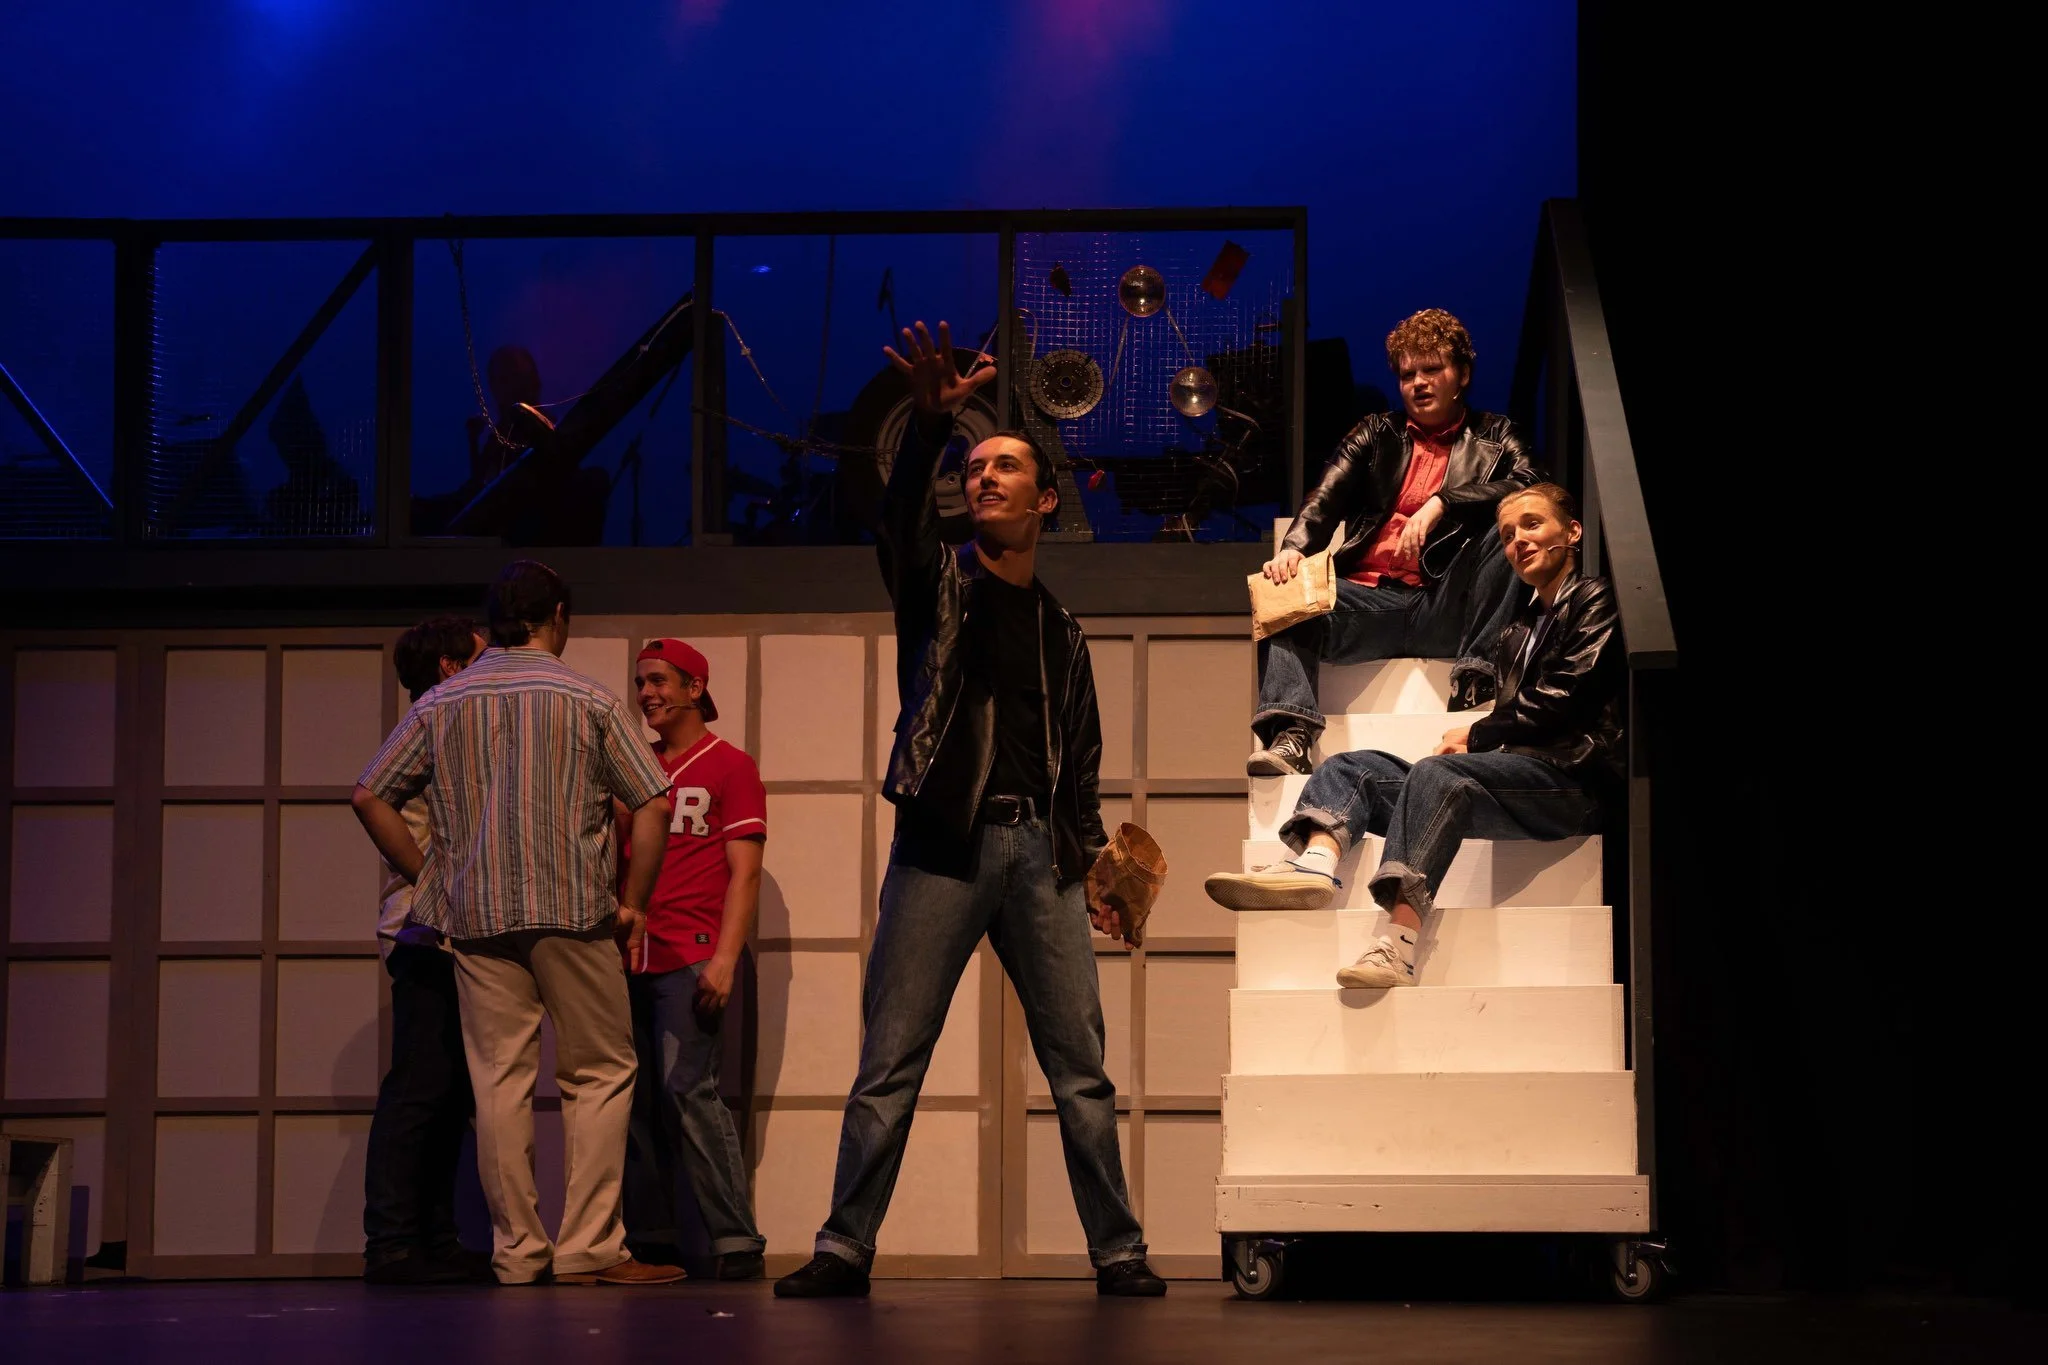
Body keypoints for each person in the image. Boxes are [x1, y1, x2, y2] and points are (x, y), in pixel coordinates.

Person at [774, 323, 1166, 1299]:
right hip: (942, 845)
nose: (983, 477)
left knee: (1080, 1070)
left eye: (1004, 467)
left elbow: (1079, 766)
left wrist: (1097, 870)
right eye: (974, 466)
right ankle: (844, 1247)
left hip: (1041, 855)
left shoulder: (1062, 631)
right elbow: (897, 523)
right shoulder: (937, 590)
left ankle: (1118, 1250)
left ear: (1044, 499)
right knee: (891, 1059)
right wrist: (927, 423)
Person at [351, 560, 682, 1286]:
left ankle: (518, 1252)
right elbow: (654, 800)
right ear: (557, 616)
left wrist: (429, 877)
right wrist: (635, 903)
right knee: (600, 1070)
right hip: (573, 910)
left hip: (477, 917)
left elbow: (370, 794)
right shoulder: (588, 698)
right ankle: (590, 1246)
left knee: (499, 1079)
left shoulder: (443, 701)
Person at [1207, 483, 1621, 989]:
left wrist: (1477, 733)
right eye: (1508, 535)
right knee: (1351, 767)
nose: (1518, 542)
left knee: (1436, 774)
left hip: (1571, 782)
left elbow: (1565, 697)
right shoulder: (1517, 629)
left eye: (1532, 525)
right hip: (1518, 776)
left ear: (1572, 532)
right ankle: (1315, 862)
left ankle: (1398, 946)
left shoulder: (1595, 599)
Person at [1248, 308, 1542, 777]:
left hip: (1448, 604)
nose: (1418, 383)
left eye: (1432, 369)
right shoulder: (1375, 433)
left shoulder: (1496, 434)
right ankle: (1292, 736)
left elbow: (1531, 485)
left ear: (1462, 374)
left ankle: (1475, 678)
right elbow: (1325, 498)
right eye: (1408, 375)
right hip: (1372, 603)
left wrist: (1445, 501)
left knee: (1506, 524)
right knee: (1280, 592)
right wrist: (1292, 549)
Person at [617, 638, 769, 1280]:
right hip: (630, 956)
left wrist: (727, 958)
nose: (646, 694)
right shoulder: (636, 768)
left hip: (693, 953)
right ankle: (651, 1238)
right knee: (630, 1097)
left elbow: (745, 873)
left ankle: (736, 1240)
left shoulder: (730, 766)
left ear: (694, 688)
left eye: (659, 681)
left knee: (689, 1090)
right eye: (641, 682)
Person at [361, 615, 487, 1286]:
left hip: (456, 931)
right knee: (419, 1087)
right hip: (424, 929)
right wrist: (433, 885)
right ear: (449, 667)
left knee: (451, 1092)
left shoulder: (450, 726)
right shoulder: (428, 724)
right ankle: (391, 1241)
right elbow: (368, 798)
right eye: (481, 656)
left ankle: (436, 1236)